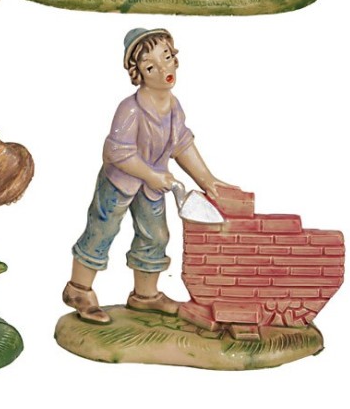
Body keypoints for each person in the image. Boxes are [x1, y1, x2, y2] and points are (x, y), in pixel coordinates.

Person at [62, 28, 230, 323]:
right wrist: (151, 174)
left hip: (153, 185)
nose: (164, 69)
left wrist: (207, 179)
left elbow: (181, 144)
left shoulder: (173, 106)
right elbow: (117, 151)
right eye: (151, 67)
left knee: (156, 235)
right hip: (120, 182)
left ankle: (145, 295)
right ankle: (79, 290)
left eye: (166, 57)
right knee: (102, 231)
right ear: (137, 73)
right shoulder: (130, 109)